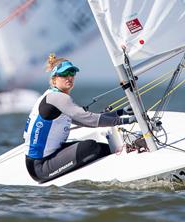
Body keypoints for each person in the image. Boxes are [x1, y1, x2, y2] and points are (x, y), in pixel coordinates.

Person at [23, 54, 135, 183]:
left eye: (72, 73)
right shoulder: (58, 98)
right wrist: (125, 121)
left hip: (43, 159)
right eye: (64, 74)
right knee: (90, 147)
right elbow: (90, 119)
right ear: (54, 79)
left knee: (103, 148)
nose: (69, 77)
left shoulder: (51, 96)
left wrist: (119, 113)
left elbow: (85, 119)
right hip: (40, 168)